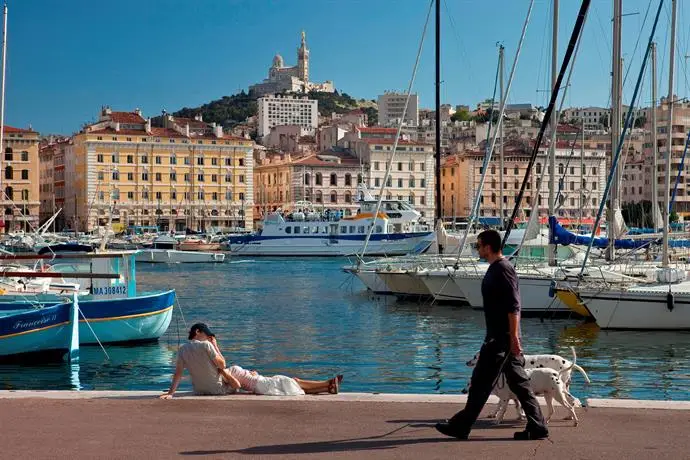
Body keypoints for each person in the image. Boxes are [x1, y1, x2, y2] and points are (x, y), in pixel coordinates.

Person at [435, 230, 549, 441]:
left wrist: (513, 338)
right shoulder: (496, 269)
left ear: (488, 247)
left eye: (479, 246)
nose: (477, 249)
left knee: (483, 382)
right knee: (513, 383)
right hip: (498, 338)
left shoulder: (503, 269)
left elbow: (514, 306)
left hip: (502, 340)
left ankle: (462, 426)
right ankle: (537, 426)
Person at [160, 323, 342, 399]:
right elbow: (222, 365)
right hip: (241, 384)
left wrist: (171, 393)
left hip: (207, 388)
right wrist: (215, 346)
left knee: (289, 382)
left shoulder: (183, 349)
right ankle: (326, 384)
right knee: (290, 381)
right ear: (198, 333)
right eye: (207, 335)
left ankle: (327, 386)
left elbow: (178, 374)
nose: (209, 338)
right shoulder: (207, 348)